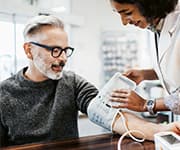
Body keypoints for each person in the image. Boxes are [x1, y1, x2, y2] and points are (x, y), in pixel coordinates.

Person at [0, 15, 180, 147]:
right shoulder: (4, 94)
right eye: (54, 50)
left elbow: (104, 112)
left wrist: (155, 130)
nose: (63, 58)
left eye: (65, 50)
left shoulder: (71, 82)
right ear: (29, 50)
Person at [109, 0, 180, 116]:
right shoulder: (153, 26)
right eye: (119, 14)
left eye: (127, 13)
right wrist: (146, 74)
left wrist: (146, 104)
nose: (124, 22)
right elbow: (174, 68)